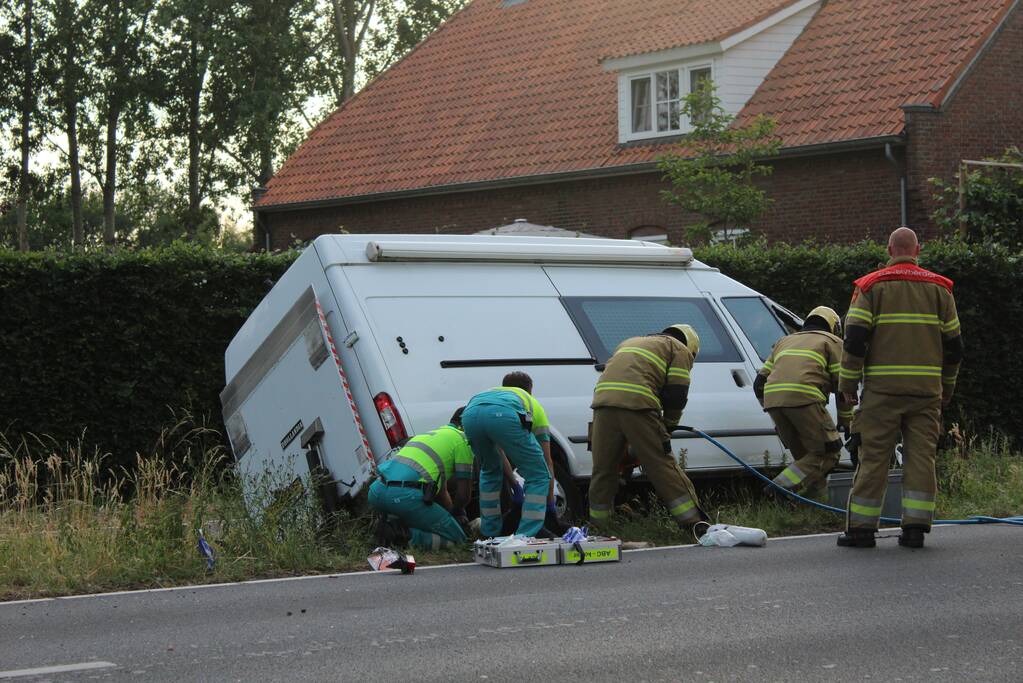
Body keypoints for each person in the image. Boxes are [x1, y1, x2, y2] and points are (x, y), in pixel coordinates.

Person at [836, 227, 963, 549]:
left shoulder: (871, 286)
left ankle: (862, 531)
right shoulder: (941, 289)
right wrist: (946, 388)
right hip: (926, 393)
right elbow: (954, 348)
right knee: (921, 458)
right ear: (917, 250)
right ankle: (915, 529)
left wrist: (847, 384)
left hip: (882, 392)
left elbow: (855, 340)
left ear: (889, 250)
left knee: (874, 458)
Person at [588, 324, 707, 531]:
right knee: (661, 464)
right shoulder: (678, 349)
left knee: (603, 469)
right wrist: (669, 426)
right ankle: (695, 523)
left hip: (602, 405)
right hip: (638, 405)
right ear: (691, 348)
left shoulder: (629, 342)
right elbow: (677, 393)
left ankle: (600, 528)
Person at [754, 306, 854, 497]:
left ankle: (813, 503)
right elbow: (844, 386)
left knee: (808, 459)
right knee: (828, 453)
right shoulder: (832, 341)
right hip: (805, 399)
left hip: (773, 402)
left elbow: (759, 384)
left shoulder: (784, 341)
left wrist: (775, 408)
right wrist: (846, 421)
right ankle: (777, 490)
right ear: (834, 327)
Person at [461, 372, 561, 538]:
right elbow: (546, 461)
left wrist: (515, 484)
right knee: (538, 474)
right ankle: (526, 535)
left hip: (470, 414)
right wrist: (550, 504)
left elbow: (499, 453)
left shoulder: (495, 393)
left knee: (489, 471)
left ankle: (489, 532)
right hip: (504, 414)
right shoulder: (530, 402)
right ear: (530, 390)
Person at [367, 407, 475, 550]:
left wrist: (450, 516)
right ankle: (401, 536)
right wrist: (458, 514)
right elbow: (463, 494)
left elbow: (442, 492)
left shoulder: (429, 435)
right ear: (469, 426)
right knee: (459, 540)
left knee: (431, 522)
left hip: (377, 491)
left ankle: (389, 529)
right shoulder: (463, 440)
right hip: (404, 496)